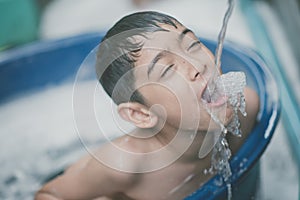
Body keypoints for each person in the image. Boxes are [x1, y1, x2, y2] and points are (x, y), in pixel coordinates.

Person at [35, 11, 259, 200]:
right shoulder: (125, 164)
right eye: (168, 70)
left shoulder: (246, 106)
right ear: (141, 114)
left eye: (192, 45)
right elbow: (48, 195)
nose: (196, 65)